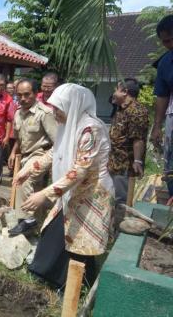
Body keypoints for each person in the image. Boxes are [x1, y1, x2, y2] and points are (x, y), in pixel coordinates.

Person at [16, 83, 114, 288]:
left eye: (58, 108)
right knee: (60, 234)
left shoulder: (90, 129)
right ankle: (49, 276)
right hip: (72, 191)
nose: (54, 113)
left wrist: (45, 194)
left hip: (91, 195)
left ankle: (77, 287)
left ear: (72, 105)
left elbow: (81, 169)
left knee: (81, 243)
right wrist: (29, 168)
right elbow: (55, 152)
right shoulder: (68, 125)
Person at [7, 78, 57, 235]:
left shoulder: (45, 114)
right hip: (25, 155)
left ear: (36, 94)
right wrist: (13, 152)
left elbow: (58, 142)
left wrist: (48, 162)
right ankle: (36, 225)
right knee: (33, 189)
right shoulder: (18, 113)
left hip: (41, 153)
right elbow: (18, 138)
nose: (23, 98)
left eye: (27, 94)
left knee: (25, 179)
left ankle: (28, 220)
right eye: (19, 95)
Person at [108, 79, 149, 206]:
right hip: (113, 162)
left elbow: (138, 139)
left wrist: (137, 161)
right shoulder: (121, 109)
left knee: (121, 200)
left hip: (125, 165)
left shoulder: (137, 111)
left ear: (125, 92)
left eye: (116, 89)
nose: (114, 93)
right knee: (110, 198)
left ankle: (119, 225)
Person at [150, 15, 173, 198]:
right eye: (165, 41)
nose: (169, 44)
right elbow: (162, 95)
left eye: (171, 39)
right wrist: (157, 126)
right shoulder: (165, 62)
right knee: (171, 167)